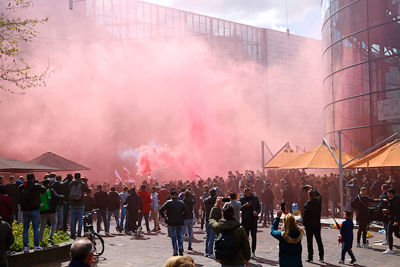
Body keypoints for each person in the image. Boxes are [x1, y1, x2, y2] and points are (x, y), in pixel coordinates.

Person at [209, 198, 250, 267]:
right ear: (233, 215)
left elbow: (211, 219)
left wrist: (216, 205)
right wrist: (247, 258)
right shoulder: (240, 229)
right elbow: (246, 245)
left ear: (223, 215)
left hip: (225, 260)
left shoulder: (219, 227)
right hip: (238, 261)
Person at [19, 173, 46, 252]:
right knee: (35, 228)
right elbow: (44, 189)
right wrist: (38, 182)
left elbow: (20, 195)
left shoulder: (22, 186)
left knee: (25, 229)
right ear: (33, 178)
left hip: (25, 211)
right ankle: (36, 246)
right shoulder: (37, 186)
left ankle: (26, 247)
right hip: (35, 210)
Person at [159, 190, 187, 256]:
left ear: (171, 196)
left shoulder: (168, 202)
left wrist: (164, 217)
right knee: (180, 236)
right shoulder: (181, 202)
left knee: (173, 237)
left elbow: (161, 210)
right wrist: (182, 217)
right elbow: (186, 211)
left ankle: (175, 251)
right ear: (177, 196)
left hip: (171, 222)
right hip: (180, 222)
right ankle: (180, 249)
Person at [302, 185, 324, 262]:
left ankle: (310, 257)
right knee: (319, 240)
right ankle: (321, 257)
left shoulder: (307, 204)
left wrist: (304, 224)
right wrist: (312, 188)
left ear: (309, 196)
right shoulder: (318, 201)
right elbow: (319, 195)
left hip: (309, 225)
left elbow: (305, 216)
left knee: (309, 242)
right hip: (317, 224)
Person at [39, 179, 63, 244]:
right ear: (48, 184)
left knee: (42, 225)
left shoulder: (39, 191)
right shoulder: (51, 190)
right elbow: (56, 197)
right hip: (51, 211)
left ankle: (39, 239)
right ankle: (51, 237)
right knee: (54, 223)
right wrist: (62, 196)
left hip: (42, 210)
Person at [239, 187, 261, 259]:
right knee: (245, 237)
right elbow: (240, 208)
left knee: (254, 236)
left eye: (248, 193)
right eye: (246, 193)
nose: (247, 194)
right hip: (245, 220)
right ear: (244, 193)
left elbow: (259, 207)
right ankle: (246, 252)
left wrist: (257, 212)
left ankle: (253, 252)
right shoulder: (242, 199)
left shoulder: (255, 198)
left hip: (253, 220)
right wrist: (246, 205)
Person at [69, 173, 89, 238]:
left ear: (74, 177)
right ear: (80, 176)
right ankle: (79, 233)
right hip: (81, 203)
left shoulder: (71, 183)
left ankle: (72, 233)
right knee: (80, 219)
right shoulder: (82, 184)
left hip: (72, 203)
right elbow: (88, 190)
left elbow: (67, 189)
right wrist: (85, 182)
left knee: (72, 219)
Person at [383, 188, 400, 254]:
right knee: (396, 234)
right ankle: (390, 248)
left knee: (389, 233)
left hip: (394, 219)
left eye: (388, 193)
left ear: (391, 193)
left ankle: (390, 248)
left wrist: (396, 221)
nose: (387, 194)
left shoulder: (395, 201)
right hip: (394, 218)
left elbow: (397, 212)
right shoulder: (394, 199)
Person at [203, 188, 217, 257]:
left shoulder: (205, 200)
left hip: (207, 219)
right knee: (212, 236)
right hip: (213, 220)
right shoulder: (216, 201)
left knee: (208, 236)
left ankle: (206, 251)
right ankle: (211, 252)